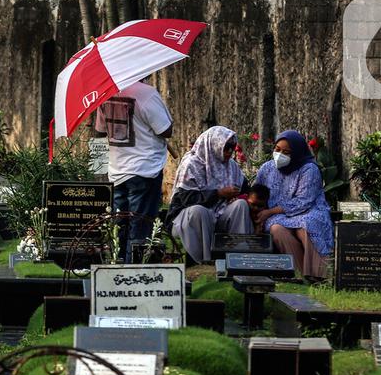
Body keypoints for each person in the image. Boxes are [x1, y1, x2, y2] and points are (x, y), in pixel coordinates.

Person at [93, 79, 173, 262]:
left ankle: (118, 266)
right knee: (140, 226)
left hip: (117, 170)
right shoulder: (147, 93)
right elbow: (166, 130)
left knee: (120, 226)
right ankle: (134, 271)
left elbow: (100, 130)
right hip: (144, 169)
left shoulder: (106, 93)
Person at [253, 130, 333, 279]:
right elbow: (257, 193)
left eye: (286, 152)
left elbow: (304, 201)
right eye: (277, 149)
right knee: (276, 229)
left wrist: (270, 212)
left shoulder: (309, 169)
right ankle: (299, 273)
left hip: (308, 209)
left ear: (296, 153)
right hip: (278, 216)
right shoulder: (266, 168)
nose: (279, 155)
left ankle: (320, 274)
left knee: (307, 225)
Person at [168, 126, 253, 263]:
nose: (230, 152)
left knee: (240, 205)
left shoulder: (231, 166)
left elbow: (246, 191)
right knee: (199, 211)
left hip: (219, 217)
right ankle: (204, 262)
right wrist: (219, 193)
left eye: (232, 147)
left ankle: (238, 260)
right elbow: (186, 199)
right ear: (214, 145)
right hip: (189, 221)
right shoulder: (191, 164)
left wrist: (239, 197)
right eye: (226, 148)